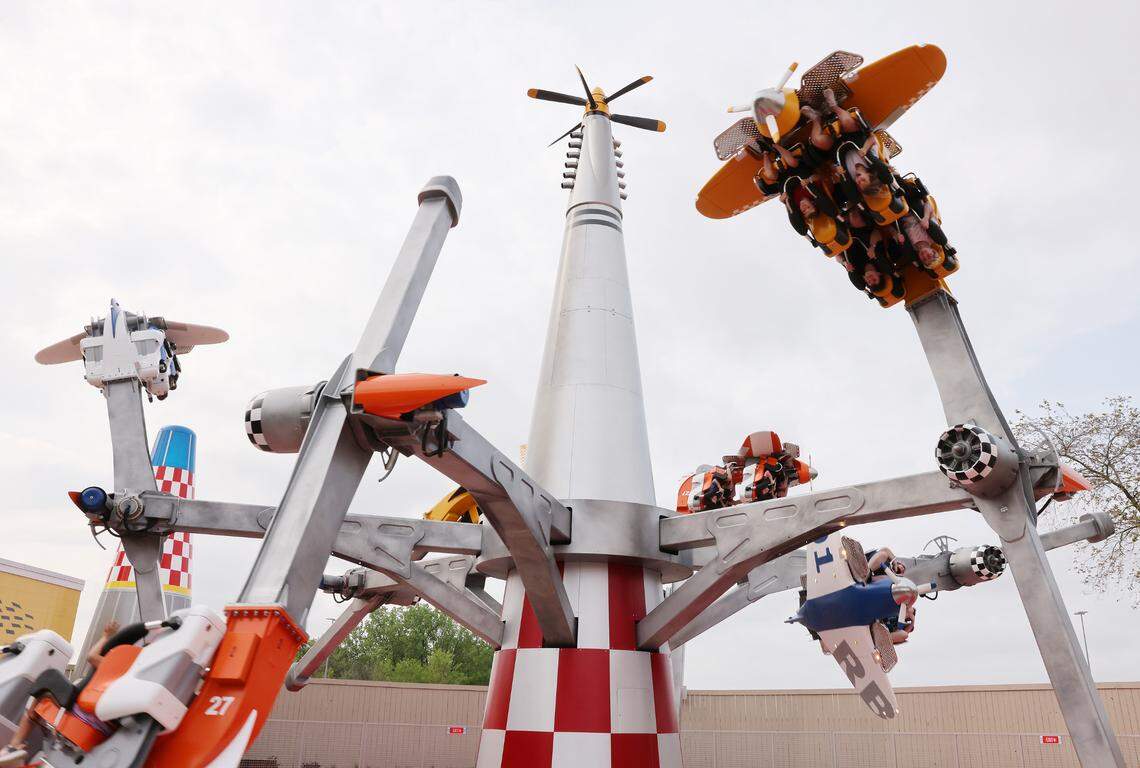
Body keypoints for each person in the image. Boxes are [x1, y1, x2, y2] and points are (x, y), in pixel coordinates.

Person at [0, 622, 123, 766]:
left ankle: (14, 746)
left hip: (81, 718)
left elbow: (91, 656)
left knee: (46, 680)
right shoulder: (133, 690)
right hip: (103, 733)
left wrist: (106, 636)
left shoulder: (118, 670)